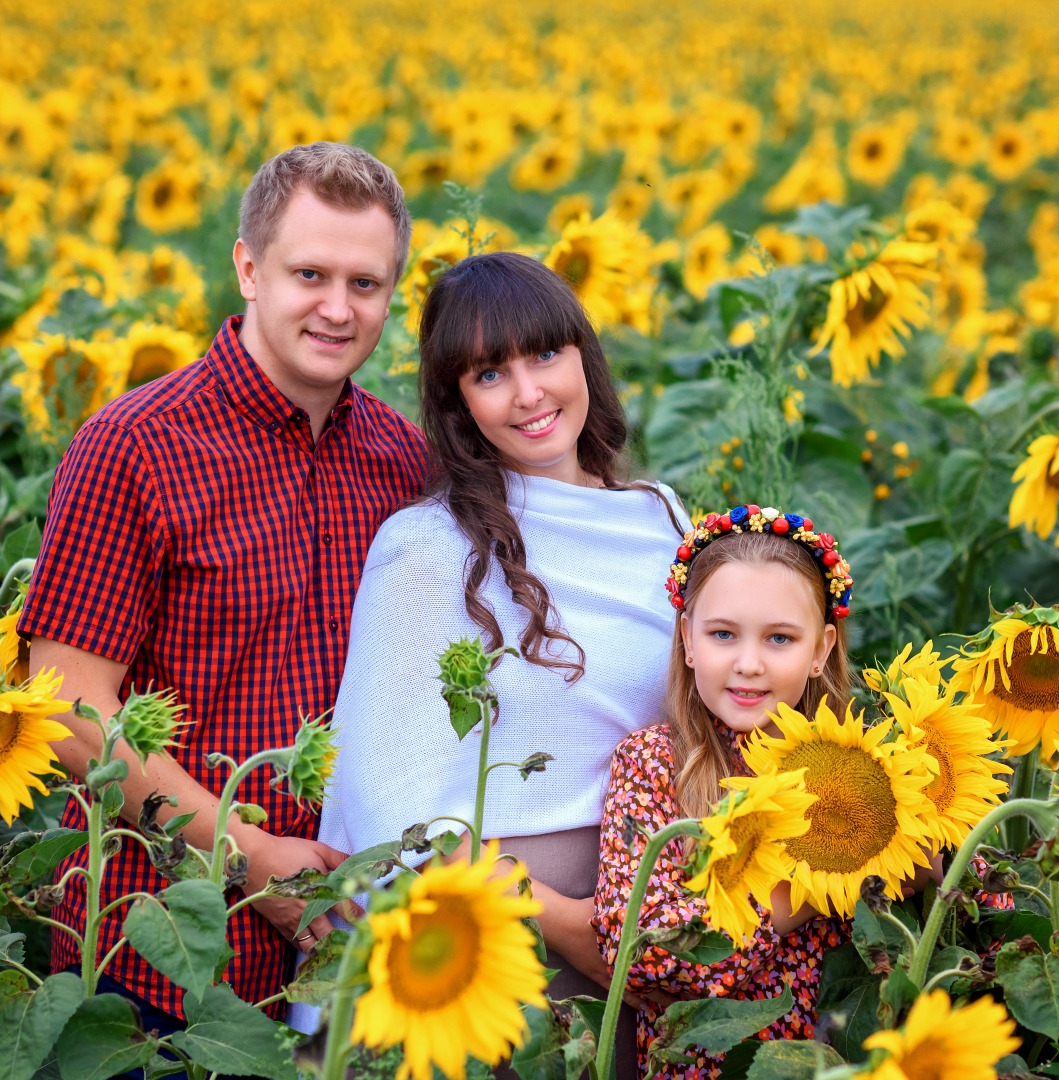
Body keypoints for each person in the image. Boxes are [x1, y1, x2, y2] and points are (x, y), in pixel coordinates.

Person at [17, 142, 432, 1030]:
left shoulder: (403, 458)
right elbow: (66, 704)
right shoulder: (137, 445)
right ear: (248, 268)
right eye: (309, 273)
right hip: (160, 955)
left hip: (352, 955)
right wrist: (246, 860)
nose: (338, 308)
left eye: (367, 284)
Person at [313, 252, 686, 1076]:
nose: (529, 394)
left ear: (584, 356)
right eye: (490, 373)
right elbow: (389, 807)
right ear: (458, 405)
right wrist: (567, 925)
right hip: (507, 950)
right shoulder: (426, 548)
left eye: (546, 355)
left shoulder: (658, 516)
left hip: (660, 931)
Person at [593, 512, 861, 1080]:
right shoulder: (653, 767)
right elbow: (642, 954)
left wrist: (934, 873)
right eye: (723, 634)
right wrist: (811, 884)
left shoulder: (867, 768)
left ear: (821, 649)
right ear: (688, 638)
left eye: (780, 638)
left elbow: (983, 904)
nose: (748, 663)